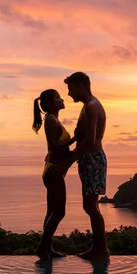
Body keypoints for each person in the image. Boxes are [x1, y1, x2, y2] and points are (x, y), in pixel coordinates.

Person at [59, 72, 110, 261]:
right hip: (88, 159)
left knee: (91, 206)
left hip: (93, 160)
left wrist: (68, 160)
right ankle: (99, 248)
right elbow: (82, 136)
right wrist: (66, 145)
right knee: (90, 205)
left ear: (81, 85)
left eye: (71, 88)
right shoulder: (87, 107)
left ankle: (101, 250)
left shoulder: (91, 107)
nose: (69, 93)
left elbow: (89, 141)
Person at [32, 89, 76, 260]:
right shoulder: (50, 120)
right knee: (59, 212)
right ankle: (42, 248)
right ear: (50, 103)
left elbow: (59, 146)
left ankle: (47, 249)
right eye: (58, 98)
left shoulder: (54, 119)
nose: (61, 99)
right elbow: (55, 147)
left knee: (51, 212)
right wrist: (76, 138)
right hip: (54, 171)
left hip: (54, 170)